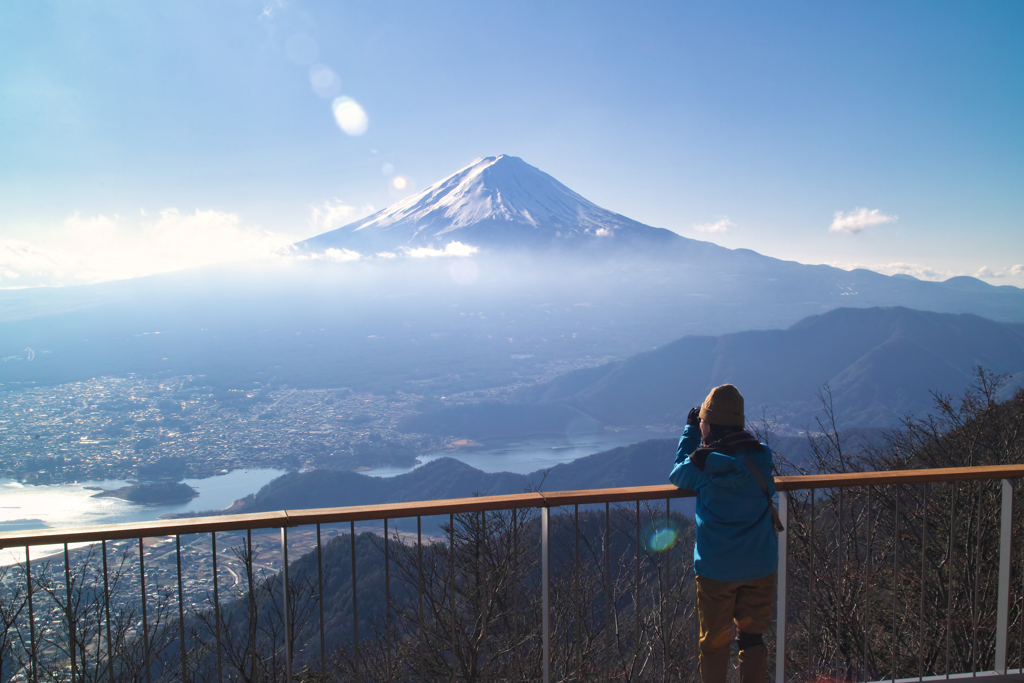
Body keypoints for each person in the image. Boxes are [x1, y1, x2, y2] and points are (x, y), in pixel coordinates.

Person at [669, 384, 779, 683]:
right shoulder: (760, 457)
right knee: (753, 639)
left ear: (708, 424)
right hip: (760, 564)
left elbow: (677, 474)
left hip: (717, 568)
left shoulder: (702, 463)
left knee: (714, 644)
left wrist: (690, 432)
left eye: (703, 421)